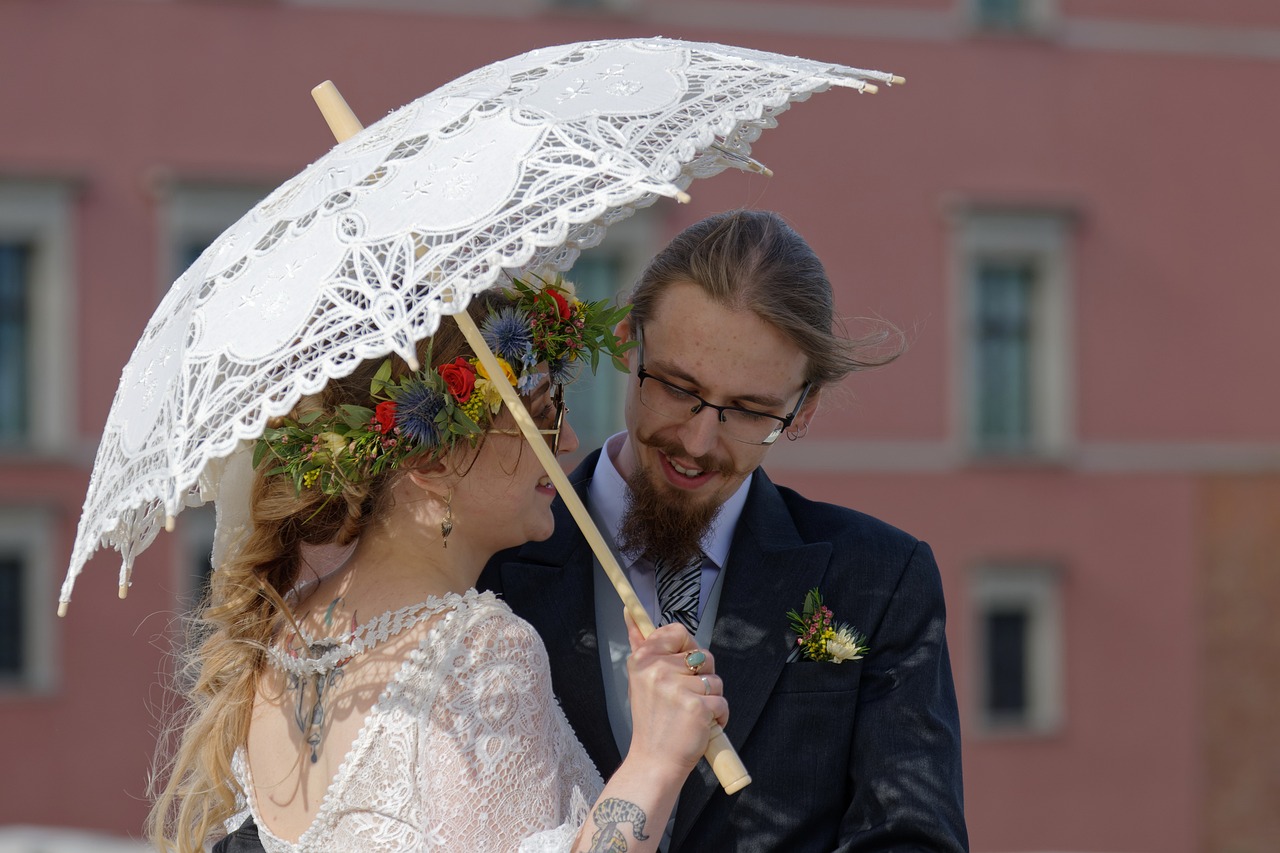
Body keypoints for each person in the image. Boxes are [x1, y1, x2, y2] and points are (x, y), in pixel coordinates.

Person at [146, 279, 730, 853]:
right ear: (431, 459)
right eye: (542, 414)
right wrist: (655, 761)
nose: (570, 440)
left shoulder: (289, 627)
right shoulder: (480, 650)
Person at [480, 210, 969, 852]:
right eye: (679, 389)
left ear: (804, 408)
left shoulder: (881, 577)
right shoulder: (492, 565)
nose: (698, 440)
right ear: (629, 344)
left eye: (749, 411)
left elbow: (913, 839)